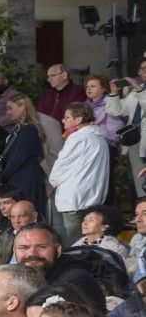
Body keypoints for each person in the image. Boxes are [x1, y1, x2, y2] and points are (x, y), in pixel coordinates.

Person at [49, 102, 111, 243]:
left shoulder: (77, 138)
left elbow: (62, 164)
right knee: (92, 241)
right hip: (94, 198)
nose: (63, 120)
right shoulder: (101, 139)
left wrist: (53, 180)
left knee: (77, 243)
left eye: (67, 117)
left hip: (74, 200)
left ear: (78, 120)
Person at [0, 95, 47, 213]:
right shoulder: (20, 129)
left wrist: (3, 176)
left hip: (25, 179)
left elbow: (18, 157)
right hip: (19, 177)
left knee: (25, 213)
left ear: (22, 107)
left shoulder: (27, 130)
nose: (7, 112)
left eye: (10, 108)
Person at [84, 75, 125, 145]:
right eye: (87, 87)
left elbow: (114, 134)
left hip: (104, 146)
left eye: (93, 86)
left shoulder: (110, 105)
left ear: (103, 89)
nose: (89, 89)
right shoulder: (84, 106)